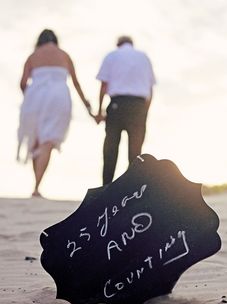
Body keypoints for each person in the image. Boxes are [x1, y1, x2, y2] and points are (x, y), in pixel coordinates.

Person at [17, 29, 92, 197]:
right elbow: (76, 83)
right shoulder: (64, 55)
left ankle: (36, 185)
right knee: (48, 141)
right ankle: (37, 185)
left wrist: (29, 97)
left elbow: (22, 83)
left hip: (35, 96)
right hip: (59, 97)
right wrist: (87, 106)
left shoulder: (33, 56)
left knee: (35, 141)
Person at [95, 35, 156, 185]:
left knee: (110, 149)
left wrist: (100, 111)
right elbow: (150, 89)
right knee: (135, 152)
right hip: (138, 106)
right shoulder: (143, 57)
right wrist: (145, 111)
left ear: (118, 44)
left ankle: (106, 187)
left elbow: (104, 85)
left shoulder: (111, 56)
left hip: (117, 104)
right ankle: (133, 188)